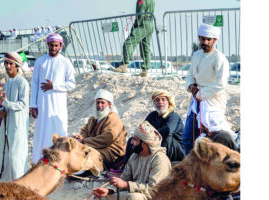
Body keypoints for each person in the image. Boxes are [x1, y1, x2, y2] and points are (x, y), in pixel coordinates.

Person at [182, 23, 232, 155]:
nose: (205, 42)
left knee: (210, 140)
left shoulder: (219, 58)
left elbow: (221, 84)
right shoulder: (196, 55)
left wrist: (201, 94)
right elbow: (190, 75)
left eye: (208, 39)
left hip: (212, 103)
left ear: (214, 40)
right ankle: (189, 168)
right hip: (195, 102)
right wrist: (190, 86)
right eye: (202, 39)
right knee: (187, 138)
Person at [92, 121, 171, 200]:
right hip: (135, 193)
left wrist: (127, 185)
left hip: (153, 196)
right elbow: (124, 178)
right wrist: (109, 190)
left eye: (135, 140)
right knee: (101, 196)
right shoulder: (134, 156)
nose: (131, 142)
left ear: (145, 143)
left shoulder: (160, 160)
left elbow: (153, 189)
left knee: (134, 198)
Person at [30, 33, 76, 163]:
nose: (53, 48)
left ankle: (59, 161)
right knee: (41, 131)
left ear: (60, 46)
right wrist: (33, 104)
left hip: (58, 107)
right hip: (42, 105)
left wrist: (54, 86)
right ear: (48, 45)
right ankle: (39, 161)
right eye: (51, 45)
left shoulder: (65, 62)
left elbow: (71, 83)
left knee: (58, 131)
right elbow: (34, 83)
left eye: (56, 45)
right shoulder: (40, 61)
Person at [0, 52, 30, 181]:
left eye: (11, 64)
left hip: (17, 125)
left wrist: (5, 103)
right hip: (6, 124)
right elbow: (5, 103)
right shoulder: (8, 83)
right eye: (6, 63)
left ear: (17, 66)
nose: (8, 66)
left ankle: (20, 184)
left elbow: (22, 104)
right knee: (5, 155)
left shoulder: (22, 83)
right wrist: (2, 109)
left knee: (17, 157)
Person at [73, 89, 127, 170]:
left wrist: (84, 141)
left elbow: (107, 138)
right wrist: (80, 138)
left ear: (109, 104)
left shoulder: (113, 118)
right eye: (98, 102)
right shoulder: (94, 118)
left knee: (87, 155)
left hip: (111, 151)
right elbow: (85, 131)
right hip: (96, 147)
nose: (99, 105)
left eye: (102, 103)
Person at [113, 0, 155, 77]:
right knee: (145, 47)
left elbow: (140, 14)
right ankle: (145, 70)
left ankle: (124, 65)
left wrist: (136, 25)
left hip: (142, 24)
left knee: (129, 42)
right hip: (150, 24)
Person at [145, 90, 185, 162]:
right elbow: (143, 128)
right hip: (156, 145)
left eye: (163, 99)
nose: (160, 102)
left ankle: (164, 163)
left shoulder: (174, 117)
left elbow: (167, 131)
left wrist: (150, 135)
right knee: (134, 140)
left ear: (168, 103)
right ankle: (127, 165)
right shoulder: (152, 115)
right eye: (157, 100)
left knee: (166, 137)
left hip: (176, 152)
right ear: (154, 103)